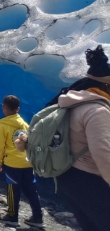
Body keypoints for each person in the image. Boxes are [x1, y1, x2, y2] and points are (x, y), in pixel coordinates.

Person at [41, 46, 110, 231]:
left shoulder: (74, 102)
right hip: (89, 179)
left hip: (68, 174)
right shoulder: (97, 111)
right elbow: (103, 154)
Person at [0, 95, 42, 228]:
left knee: (13, 190)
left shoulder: (2, 125)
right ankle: (38, 217)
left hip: (12, 164)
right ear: (18, 109)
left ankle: (12, 216)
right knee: (32, 191)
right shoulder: (24, 124)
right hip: (27, 163)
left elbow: (0, 147)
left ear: (3, 107)